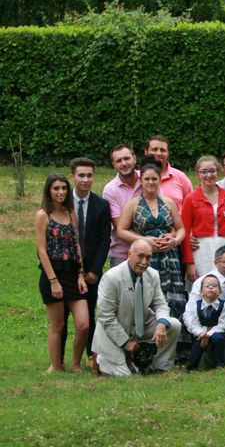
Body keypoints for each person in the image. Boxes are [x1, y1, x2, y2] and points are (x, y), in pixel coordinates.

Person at [92, 239, 182, 375]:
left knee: (173, 325)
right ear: (129, 254)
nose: (144, 262)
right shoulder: (111, 277)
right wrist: (126, 343)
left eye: (148, 257)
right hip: (114, 331)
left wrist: (161, 324)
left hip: (141, 324)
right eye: (140, 256)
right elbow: (106, 316)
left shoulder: (153, 274)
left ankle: (160, 367)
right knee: (126, 375)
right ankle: (103, 359)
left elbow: (160, 304)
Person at [117, 158, 187, 323]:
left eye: (154, 178)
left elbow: (181, 228)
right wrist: (144, 240)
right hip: (145, 256)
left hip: (169, 256)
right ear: (141, 181)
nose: (150, 182)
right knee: (148, 293)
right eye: (146, 179)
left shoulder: (168, 203)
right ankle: (146, 339)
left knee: (172, 295)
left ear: (159, 180)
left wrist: (174, 240)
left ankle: (175, 335)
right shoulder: (133, 204)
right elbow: (121, 230)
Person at [35, 173, 89, 373]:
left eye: (63, 188)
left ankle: (75, 364)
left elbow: (76, 245)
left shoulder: (70, 213)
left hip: (73, 274)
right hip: (53, 274)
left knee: (83, 324)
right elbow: (41, 250)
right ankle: (55, 366)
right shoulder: (43, 215)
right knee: (57, 326)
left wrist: (81, 274)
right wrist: (53, 281)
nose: (60, 192)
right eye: (56, 188)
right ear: (49, 191)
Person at [64, 157, 111, 370]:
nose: (85, 180)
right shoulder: (62, 203)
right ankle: (59, 358)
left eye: (89, 175)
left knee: (90, 313)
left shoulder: (101, 205)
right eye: (81, 175)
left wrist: (94, 270)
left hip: (92, 270)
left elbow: (104, 240)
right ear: (72, 176)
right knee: (63, 316)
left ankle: (90, 354)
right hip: (66, 270)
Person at [181, 155, 225, 282]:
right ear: (197, 174)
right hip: (202, 250)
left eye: (212, 171)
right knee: (205, 286)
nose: (209, 175)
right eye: (204, 172)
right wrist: (189, 263)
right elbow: (184, 232)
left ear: (217, 172)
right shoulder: (190, 199)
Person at [103, 144, 142, 267]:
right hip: (122, 253)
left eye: (127, 158)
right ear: (113, 164)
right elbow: (120, 227)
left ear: (134, 158)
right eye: (119, 160)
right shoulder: (110, 190)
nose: (124, 163)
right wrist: (149, 240)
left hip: (151, 252)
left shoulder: (148, 179)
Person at [183, 274, 225, 371]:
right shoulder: (197, 306)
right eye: (207, 286)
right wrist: (202, 334)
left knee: (218, 339)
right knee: (198, 343)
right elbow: (194, 323)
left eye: (214, 285)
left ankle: (220, 365)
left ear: (220, 292)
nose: (211, 287)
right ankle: (192, 368)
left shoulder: (223, 306)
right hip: (203, 331)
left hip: (219, 332)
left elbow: (223, 324)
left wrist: (209, 334)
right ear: (201, 292)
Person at [144, 135, 193, 212]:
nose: (159, 153)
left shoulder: (181, 177)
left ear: (168, 153)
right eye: (154, 149)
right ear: (146, 152)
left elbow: (192, 206)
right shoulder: (138, 177)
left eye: (163, 150)